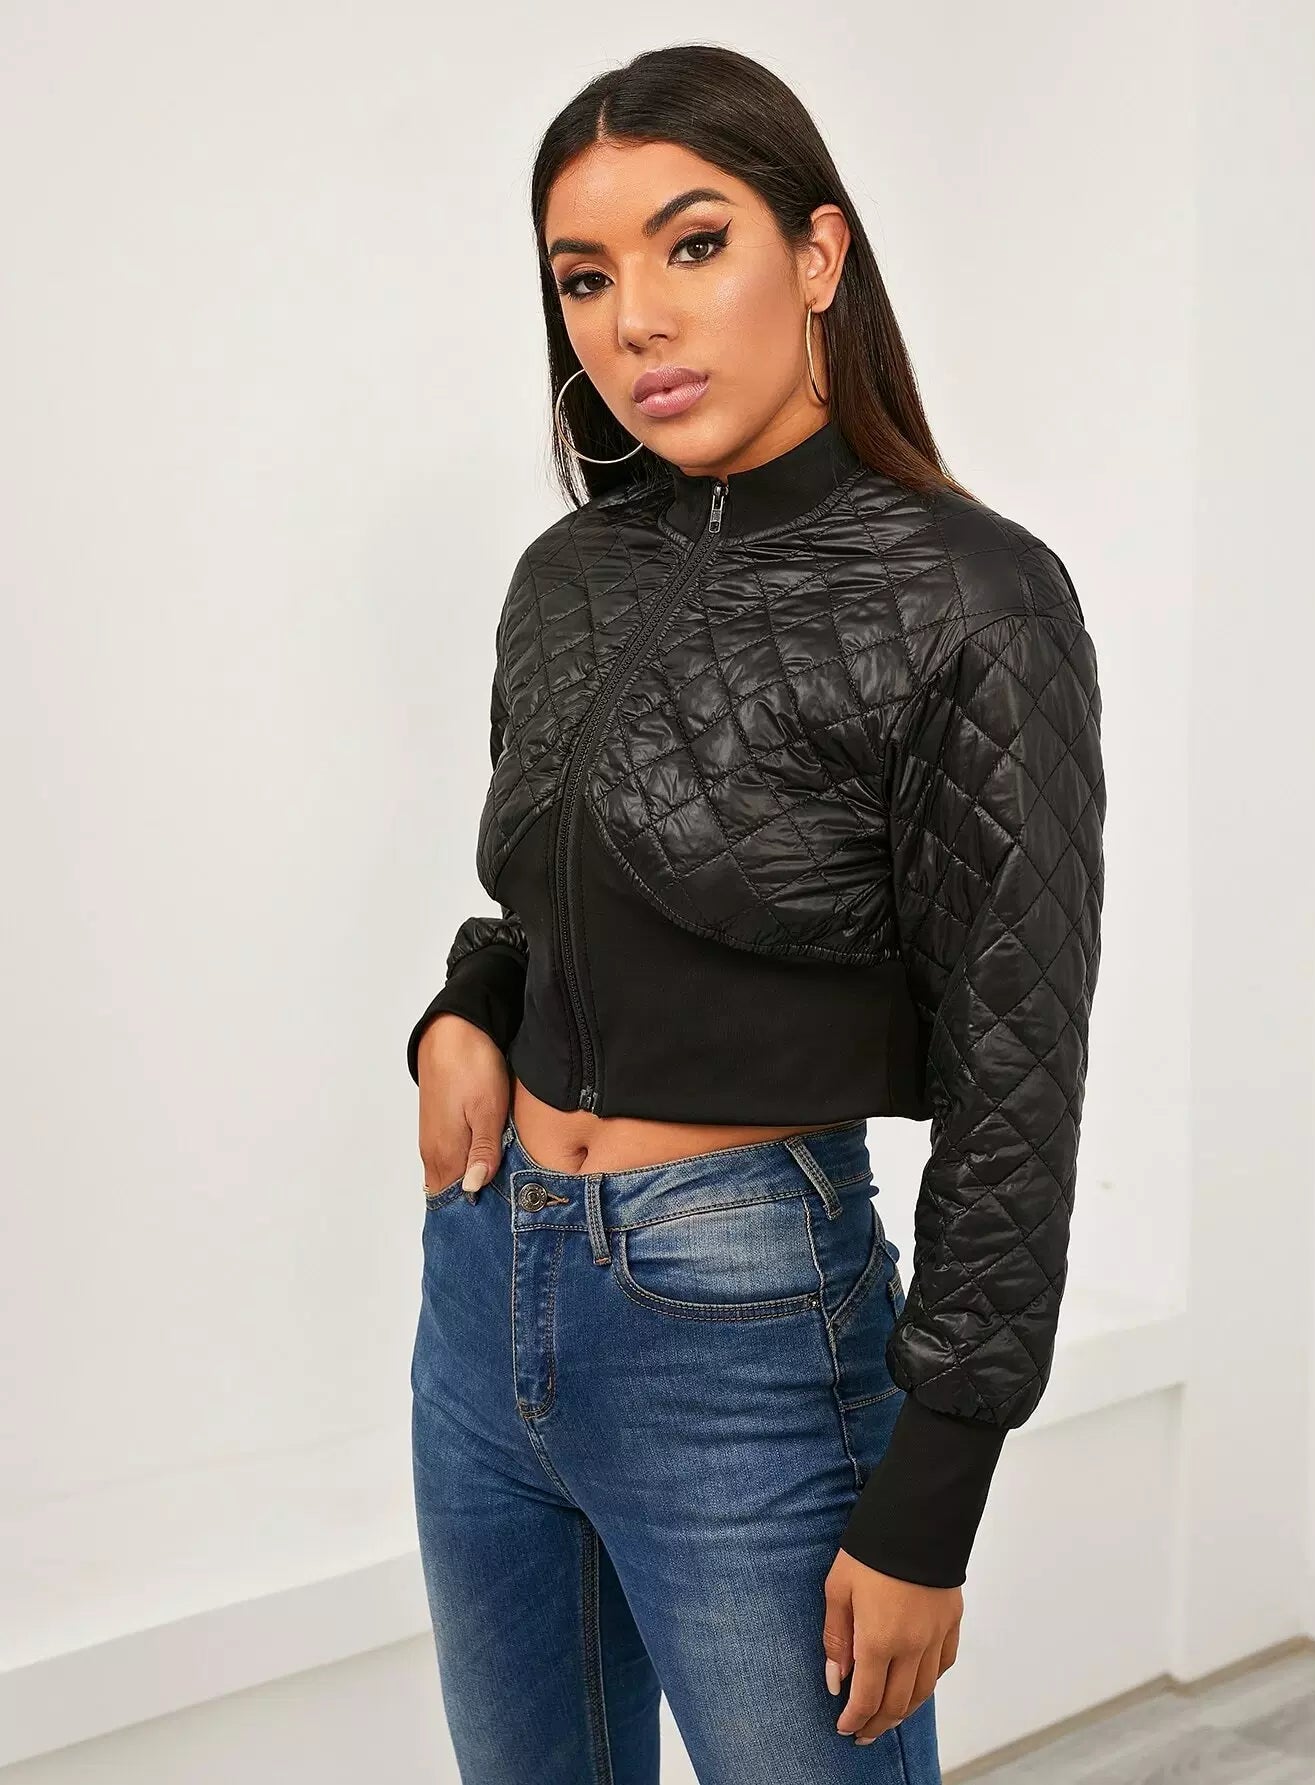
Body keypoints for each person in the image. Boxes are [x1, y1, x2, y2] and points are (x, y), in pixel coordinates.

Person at [406, 43, 1105, 1785]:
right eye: (585, 276)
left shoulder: (978, 598)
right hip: (483, 1300)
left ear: (818, 253)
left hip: (743, 1326)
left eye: (694, 243)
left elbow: (1018, 1084)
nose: (636, 318)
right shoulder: (566, 576)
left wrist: (934, 1494)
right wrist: (464, 1009)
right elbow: (544, 889)